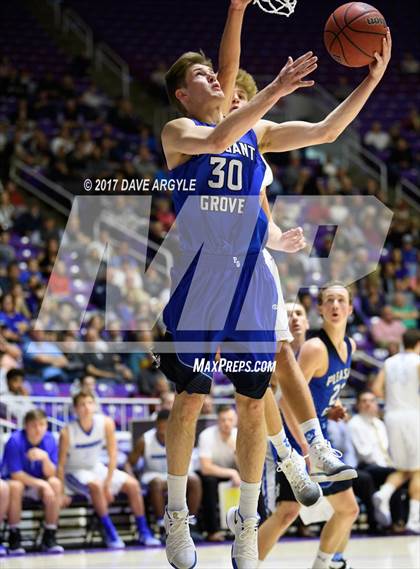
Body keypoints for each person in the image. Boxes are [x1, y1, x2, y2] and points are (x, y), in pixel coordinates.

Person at [158, 0, 391, 561]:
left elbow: (328, 129)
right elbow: (216, 139)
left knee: (250, 398)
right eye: (201, 75)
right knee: (190, 400)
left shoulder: (255, 132)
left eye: (216, 73)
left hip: (249, 283)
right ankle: (175, 514)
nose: (215, 77)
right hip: (201, 280)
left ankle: (246, 518)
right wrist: (276, 86)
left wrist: (371, 81)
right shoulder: (180, 129)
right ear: (184, 95)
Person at [259, 285, 359, 569]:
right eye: (329, 301)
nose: (336, 305)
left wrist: (333, 405)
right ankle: (245, 564)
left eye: (341, 300)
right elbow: (288, 399)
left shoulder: (349, 346)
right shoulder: (315, 348)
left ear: (351, 309)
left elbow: (320, 388)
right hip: (297, 439)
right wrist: (305, 444)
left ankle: (324, 564)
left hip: (320, 439)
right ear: (321, 309)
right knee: (287, 512)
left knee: (348, 509)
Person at [57, 392, 160, 548]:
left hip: (96, 467)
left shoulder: (106, 423)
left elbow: (113, 455)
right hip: (74, 471)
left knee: (132, 485)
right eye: (82, 404)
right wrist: (61, 492)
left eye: (89, 403)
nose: (86, 407)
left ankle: (144, 531)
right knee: (96, 485)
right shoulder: (67, 432)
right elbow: (60, 464)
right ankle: (110, 533)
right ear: (76, 409)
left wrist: (108, 484)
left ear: (94, 405)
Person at [373, 329, 420, 534]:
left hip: (392, 417)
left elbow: (375, 389)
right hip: (412, 415)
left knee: (404, 468)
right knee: (418, 470)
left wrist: (392, 400)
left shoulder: (389, 362)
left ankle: (384, 493)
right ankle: (414, 520)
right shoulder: (418, 361)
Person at [126, 409, 202, 531]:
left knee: (195, 481)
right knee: (156, 483)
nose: (163, 431)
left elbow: (188, 463)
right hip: (153, 474)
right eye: (160, 427)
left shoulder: (181, 437)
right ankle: (162, 524)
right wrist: (133, 479)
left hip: (175, 474)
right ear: (156, 425)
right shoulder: (145, 440)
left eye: (166, 427)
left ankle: (190, 522)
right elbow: (128, 464)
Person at [2, 409, 64, 554]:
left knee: (55, 483)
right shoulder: (15, 440)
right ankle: (14, 536)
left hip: (37, 483)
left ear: (46, 426)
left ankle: (50, 535)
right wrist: (42, 484)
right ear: (26, 426)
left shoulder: (49, 439)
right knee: (16, 486)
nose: (38, 429)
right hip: (15, 483)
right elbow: (16, 475)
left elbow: (52, 473)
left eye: (42, 425)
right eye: (34, 425)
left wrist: (45, 458)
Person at [197, 405, 239, 541]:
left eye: (230, 420)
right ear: (217, 421)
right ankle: (212, 531)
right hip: (211, 473)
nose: (227, 423)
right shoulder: (206, 435)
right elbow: (205, 468)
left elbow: (245, 468)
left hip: (232, 472)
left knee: (253, 480)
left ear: (236, 420)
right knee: (209, 482)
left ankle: (253, 525)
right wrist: (232, 473)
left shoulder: (239, 435)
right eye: (223, 420)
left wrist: (236, 451)